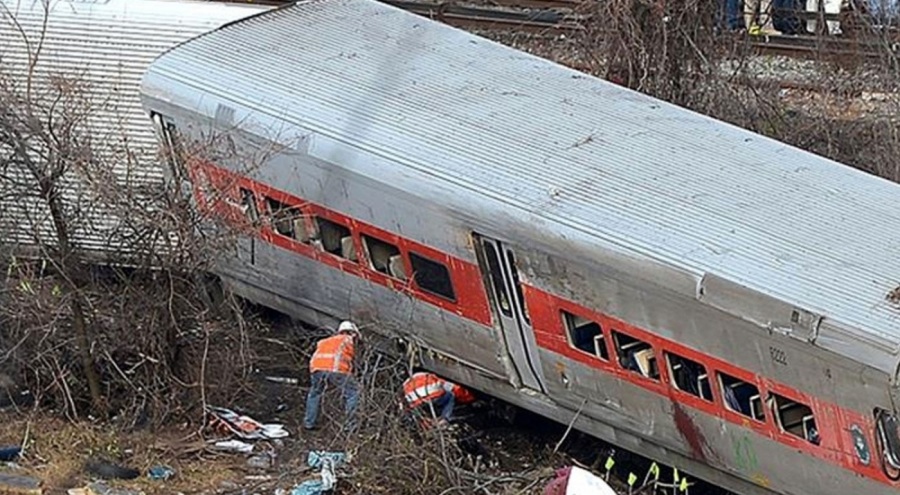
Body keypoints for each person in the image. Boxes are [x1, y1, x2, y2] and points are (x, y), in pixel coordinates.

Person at [303, 320, 360, 431]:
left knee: (315, 393)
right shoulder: (349, 340)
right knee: (353, 393)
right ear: (353, 332)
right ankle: (351, 426)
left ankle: (309, 423)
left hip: (316, 368)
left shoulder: (324, 341)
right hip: (336, 368)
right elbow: (355, 360)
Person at [402, 371, 476, 427]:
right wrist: (470, 398)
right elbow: (455, 388)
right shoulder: (434, 379)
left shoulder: (409, 382)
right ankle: (444, 419)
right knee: (450, 396)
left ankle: (425, 422)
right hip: (430, 396)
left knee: (419, 411)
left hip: (414, 400)